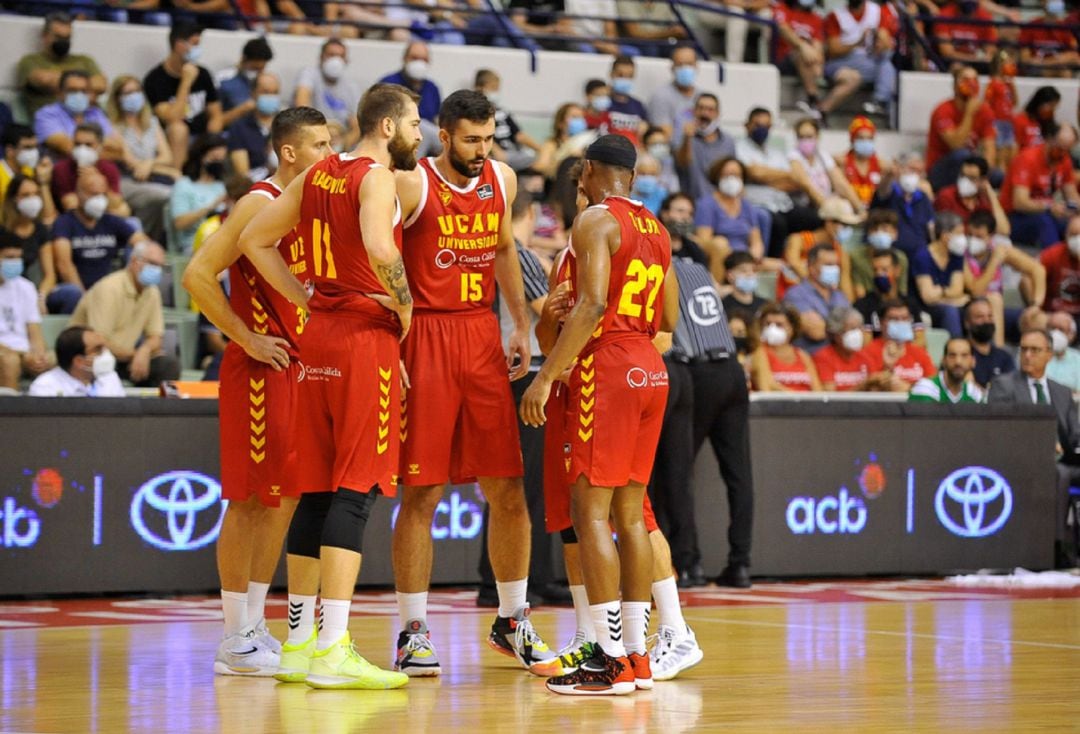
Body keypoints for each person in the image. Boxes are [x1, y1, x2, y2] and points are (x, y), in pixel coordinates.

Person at [238, 83, 421, 690]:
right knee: (356, 486)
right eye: (416, 123)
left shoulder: (316, 176)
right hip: (360, 338)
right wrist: (405, 307)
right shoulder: (375, 178)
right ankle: (335, 647)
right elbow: (378, 246)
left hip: (315, 337)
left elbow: (254, 242)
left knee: (314, 489)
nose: (420, 134)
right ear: (388, 127)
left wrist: (306, 299)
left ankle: (297, 644)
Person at [393, 90, 557, 678]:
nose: (481, 151)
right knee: (422, 493)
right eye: (470, 141)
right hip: (427, 336)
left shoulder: (503, 179)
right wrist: (394, 336)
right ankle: (413, 631)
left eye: (488, 140)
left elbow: (505, 250)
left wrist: (520, 324)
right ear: (443, 134)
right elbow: (379, 256)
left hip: (482, 336)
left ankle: (513, 620)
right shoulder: (411, 184)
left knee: (509, 488)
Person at [520, 134, 675, 695]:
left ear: (587, 171)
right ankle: (635, 656)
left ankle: (605, 659)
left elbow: (592, 306)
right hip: (650, 369)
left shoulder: (593, 223)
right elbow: (669, 313)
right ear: (632, 177)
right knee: (631, 517)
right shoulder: (657, 229)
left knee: (590, 515)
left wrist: (544, 375)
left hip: (605, 366)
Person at [183, 106, 332, 679]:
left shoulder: (317, 206)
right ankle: (232, 634)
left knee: (284, 499)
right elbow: (197, 274)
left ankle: (254, 624)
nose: (329, 153)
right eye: (319, 144)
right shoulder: (258, 202)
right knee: (248, 500)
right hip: (259, 368)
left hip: (303, 369)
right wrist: (246, 336)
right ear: (289, 152)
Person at [656, 199, 755, 590]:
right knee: (739, 474)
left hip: (697, 371)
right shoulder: (702, 271)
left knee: (676, 471)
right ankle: (741, 562)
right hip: (732, 367)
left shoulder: (662, 272)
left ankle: (687, 562)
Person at [988, 328, 1080, 568]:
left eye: (1035, 350)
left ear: (1049, 355)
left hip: (1064, 459)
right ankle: (1057, 547)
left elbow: (1074, 434)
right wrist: (1041, 444)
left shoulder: (1060, 391)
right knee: (1058, 474)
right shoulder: (1004, 385)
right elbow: (999, 430)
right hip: (1021, 459)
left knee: (1063, 471)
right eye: (1024, 349)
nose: (1027, 355)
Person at [69, 241, 179, 386]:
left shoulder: (152, 292)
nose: (157, 270)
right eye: (152, 263)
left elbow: (155, 337)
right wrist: (135, 355)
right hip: (90, 356)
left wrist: (144, 351)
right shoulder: (109, 288)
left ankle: (153, 408)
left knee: (167, 365)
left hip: (124, 359)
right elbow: (98, 341)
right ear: (134, 262)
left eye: (160, 266)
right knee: (102, 362)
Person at [48, 170, 148, 314]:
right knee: (73, 293)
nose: (99, 200)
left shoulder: (111, 221)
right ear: (78, 194)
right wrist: (86, 299)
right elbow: (64, 265)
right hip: (72, 289)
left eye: (102, 194)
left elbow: (143, 243)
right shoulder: (64, 223)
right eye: (93, 194)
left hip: (106, 289)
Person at [736, 107, 822, 256]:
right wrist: (778, 176)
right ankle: (776, 263)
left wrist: (764, 177)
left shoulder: (776, 152)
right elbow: (754, 173)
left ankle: (806, 258)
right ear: (747, 125)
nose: (762, 129)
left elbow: (794, 181)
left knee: (815, 218)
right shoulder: (739, 147)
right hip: (758, 204)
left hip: (782, 203)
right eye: (757, 124)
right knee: (778, 224)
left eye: (766, 126)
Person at [105, 76, 177, 243]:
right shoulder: (112, 125)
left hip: (151, 176)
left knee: (180, 191)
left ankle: (162, 243)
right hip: (126, 180)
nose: (134, 96)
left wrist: (150, 163)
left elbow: (167, 156)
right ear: (117, 98)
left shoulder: (151, 122)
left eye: (137, 91)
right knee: (166, 194)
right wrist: (164, 169)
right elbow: (132, 165)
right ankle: (143, 242)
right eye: (128, 92)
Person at [143, 20, 223, 170]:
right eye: (195, 43)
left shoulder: (203, 74)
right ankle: (178, 178)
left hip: (201, 137)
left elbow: (216, 114)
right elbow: (172, 118)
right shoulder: (155, 79)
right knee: (178, 129)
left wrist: (210, 140)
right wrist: (186, 82)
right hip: (171, 139)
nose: (198, 49)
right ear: (179, 45)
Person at [964, 210, 1045, 343]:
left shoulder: (998, 248)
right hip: (971, 306)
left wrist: (1035, 304)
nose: (973, 240)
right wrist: (994, 261)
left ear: (991, 236)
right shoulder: (962, 253)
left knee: (1038, 318)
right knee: (994, 299)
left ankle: (1034, 358)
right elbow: (976, 291)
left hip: (997, 310)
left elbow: (1038, 270)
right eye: (970, 235)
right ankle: (997, 354)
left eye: (979, 236)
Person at [1000, 122, 1080, 249]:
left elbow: (1071, 194)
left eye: (1067, 150)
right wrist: (1049, 207)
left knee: (1075, 223)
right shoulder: (1028, 159)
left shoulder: (1064, 160)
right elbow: (1019, 202)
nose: (1062, 154)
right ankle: (1053, 262)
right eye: (1059, 148)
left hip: (1045, 212)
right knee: (1044, 221)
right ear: (1049, 139)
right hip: (1013, 217)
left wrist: (1076, 208)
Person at [817, 0, 897, 121]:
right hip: (840, 61)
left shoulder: (876, 11)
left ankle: (880, 102)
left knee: (887, 63)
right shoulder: (836, 15)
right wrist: (857, 42)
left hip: (869, 60)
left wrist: (881, 43)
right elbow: (834, 50)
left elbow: (886, 41)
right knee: (883, 68)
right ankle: (880, 101)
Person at [16, 12, 106, 117]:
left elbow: (101, 85)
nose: (63, 42)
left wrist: (59, 81)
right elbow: (43, 80)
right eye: (58, 37)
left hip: (89, 119)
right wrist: (87, 87)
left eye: (67, 38)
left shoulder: (84, 60)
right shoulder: (30, 61)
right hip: (52, 122)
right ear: (45, 36)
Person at [926, 66, 996, 192]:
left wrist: (983, 173)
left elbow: (989, 149)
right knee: (962, 155)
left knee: (999, 176)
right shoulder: (943, 110)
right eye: (966, 80)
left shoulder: (985, 111)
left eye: (975, 80)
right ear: (954, 86)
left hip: (970, 168)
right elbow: (956, 145)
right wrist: (969, 114)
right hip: (940, 171)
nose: (971, 84)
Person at [695, 158, 767, 282]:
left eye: (736, 175)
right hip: (724, 257)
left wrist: (750, 257)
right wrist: (734, 260)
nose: (731, 179)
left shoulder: (746, 205)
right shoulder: (707, 204)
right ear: (718, 177)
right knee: (720, 242)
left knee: (782, 267)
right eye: (726, 174)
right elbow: (704, 240)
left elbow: (756, 241)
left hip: (745, 257)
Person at [780, 196, 857, 302]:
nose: (847, 229)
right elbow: (793, 263)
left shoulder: (841, 253)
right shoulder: (798, 240)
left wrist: (848, 305)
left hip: (824, 301)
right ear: (829, 222)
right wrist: (820, 284)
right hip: (793, 296)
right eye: (844, 224)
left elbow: (845, 283)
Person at [294, 38, 363, 150]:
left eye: (340, 56)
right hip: (312, 137)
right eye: (331, 55)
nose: (336, 60)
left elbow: (357, 127)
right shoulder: (309, 74)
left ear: (346, 60)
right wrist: (321, 140)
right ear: (321, 57)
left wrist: (342, 146)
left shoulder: (351, 87)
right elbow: (301, 105)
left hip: (339, 142)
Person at [783, 243, 851, 353]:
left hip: (838, 361)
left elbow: (855, 328)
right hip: (811, 358)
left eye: (836, 265)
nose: (835, 269)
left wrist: (828, 326)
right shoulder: (795, 294)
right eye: (829, 265)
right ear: (811, 267)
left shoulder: (840, 296)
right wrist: (844, 330)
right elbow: (816, 332)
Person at [871, 152, 934, 269]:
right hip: (892, 253)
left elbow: (931, 227)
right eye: (911, 169)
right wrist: (890, 175)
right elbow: (882, 191)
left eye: (919, 172)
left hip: (919, 256)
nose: (915, 175)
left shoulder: (922, 197)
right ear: (899, 169)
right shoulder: (890, 192)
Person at [0, 241, 50, 389]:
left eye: (18, 257)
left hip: (24, 351)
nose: (15, 262)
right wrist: (22, 355)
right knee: (10, 361)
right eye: (9, 257)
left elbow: (35, 332)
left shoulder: (26, 287)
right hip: (7, 352)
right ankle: (9, 411)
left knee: (56, 359)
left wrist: (39, 355)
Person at [788, 117, 863, 213]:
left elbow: (841, 183)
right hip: (805, 208)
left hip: (825, 205)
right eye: (802, 137)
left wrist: (860, 208)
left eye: (809, 136)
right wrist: (828, 209)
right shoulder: (794, 157)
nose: (805, 140)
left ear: (818, 136)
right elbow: (807, 186)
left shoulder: (822, 156)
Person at [49, 122, 125, 216]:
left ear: (100, 145)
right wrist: (84, 181)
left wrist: (99, 182)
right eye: (77, 144)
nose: (82, 149)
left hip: (103, 215)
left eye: (88, 145)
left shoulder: (109, 168)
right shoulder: (61, 169)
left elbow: (115, 203)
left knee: (124, 211)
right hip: (75, 220)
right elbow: (70, 205)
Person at [914, 211, 969, 337]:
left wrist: (940, 293)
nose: (963, 238)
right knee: (950, 311)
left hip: (947, 304)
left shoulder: (956, 255)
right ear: (945, 236)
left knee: (979, 307)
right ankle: (956, 348)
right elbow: (928, 297)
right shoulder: (923, 256)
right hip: (926, 308)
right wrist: (951, 298)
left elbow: (958, 289)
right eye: (959, 233)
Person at [27, 325, 124, 397]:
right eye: (98, 349)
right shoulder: (45, 387)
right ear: (79, 361)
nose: (105, 352)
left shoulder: (110, 378)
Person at [171, 134, 228, 254]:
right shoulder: (184, 185)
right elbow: (180, 223)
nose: (218, 162)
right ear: (201, 156)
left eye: (221, 159)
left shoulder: (222, 186)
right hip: (194, 244)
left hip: (223, 240)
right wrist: (210, 208)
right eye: (214, 158)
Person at [862, 298, 936, 390]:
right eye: (894, 319)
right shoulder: (868, 352)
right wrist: (887, 367)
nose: (900, 322)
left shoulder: (920, 352)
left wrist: (908, 388)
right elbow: (871, 388)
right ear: (881, 323)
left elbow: (933, 386)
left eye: (905, 318)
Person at [474, 69, 540, 171]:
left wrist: (540, 149)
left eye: (497, 88)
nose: (495, 92)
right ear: (479, 88)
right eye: (492, 88)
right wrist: (496, 151)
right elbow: (480, 134)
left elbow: (519, 135)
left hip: (513, 151)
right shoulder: (475, 111)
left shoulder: (502, 111)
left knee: (539, 157)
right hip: (495, 153)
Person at [1, 174, 56, 294]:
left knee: (70, 293)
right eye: (26, 195)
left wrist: (40, 296)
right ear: (14, 198)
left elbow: (50, 275)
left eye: (36, 194)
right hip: (4, 289)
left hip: (33, 290)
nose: (32, 199)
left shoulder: (41, 230)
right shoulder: (2, 230)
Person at [675, 94, 735, 201]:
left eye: (710, 109)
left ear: (717, 114)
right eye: (700, 108)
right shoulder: (682, 137)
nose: (704, 113)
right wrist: (687, 139)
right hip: (692, 202)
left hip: (720, 202)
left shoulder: (728, 142)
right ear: (694, 111)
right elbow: (682, 163)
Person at [750, 302, 821, 391]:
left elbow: (818, 391)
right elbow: (767, 387)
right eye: (768, 324)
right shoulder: (760, 353)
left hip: (807, 403)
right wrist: (801, 398)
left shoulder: (803, 356)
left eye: (779, 325)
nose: (772, 329)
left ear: (792, 328)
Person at [854, 247, 923, 338]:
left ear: (897, 271)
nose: (879, 274)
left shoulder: (910, 303)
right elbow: (866, 342)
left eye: (884, 270)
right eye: (875, 270)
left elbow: (920, 339)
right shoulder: (863, 305)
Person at [774, 0, 826, 116]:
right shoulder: (782, 8)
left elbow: (818, 47)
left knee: (809, 56)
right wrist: (802, 46)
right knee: (802, 53)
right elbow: (783, 29)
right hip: (783, 59)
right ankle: (812, 99)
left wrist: (816, 59)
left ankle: (814, 102)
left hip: (809, 63)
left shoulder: (816, 18)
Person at [933, 155, 1009, 233]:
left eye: (971, 178)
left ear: (983, 180)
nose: (965, 181)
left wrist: (991, 194)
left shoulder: (983, 201)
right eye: (963, 176)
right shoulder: (946, 196)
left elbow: (1004, 230)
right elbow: (945, 231)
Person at [227, 73, 281, 181]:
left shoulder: (287, 124)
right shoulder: (240, 127)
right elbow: (243, 174)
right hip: (255, 187)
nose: (271, 97)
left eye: (275, 93)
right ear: (253, 93)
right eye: (265, 92)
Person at [813, 305, 878, 391]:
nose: (857, 333)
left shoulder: (866, 356)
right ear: (836, 333)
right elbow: (830, 397)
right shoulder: (823, 357)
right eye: (852, 328)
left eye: (859, 328)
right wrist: (863, 385)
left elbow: (876, 389)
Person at [378, 41, 442, 123]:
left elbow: (436, 120)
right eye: (414, 58)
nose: (419, 63)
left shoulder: (432, 89)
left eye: (423, 59)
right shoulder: (388, 84)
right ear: (405, 58)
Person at [850, 208, 906, 299]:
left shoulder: (901, 258)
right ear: (868, 233)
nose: (879, 233)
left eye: (885, 229)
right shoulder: (856, 257)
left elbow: (902, 292)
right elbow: (860, 292)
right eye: (875, 229)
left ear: (895, 233)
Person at [909, 337, 984, 402]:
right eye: (952, 355)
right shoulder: (926, 388)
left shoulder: (973, 393)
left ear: (973, 361)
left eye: (964, 356)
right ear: (943, 360)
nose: (958, 361)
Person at [647, 43, 699, 138]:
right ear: (672, 67)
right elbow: (665, 135)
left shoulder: (702, 95)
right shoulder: (661, 96)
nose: (685, 68)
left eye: (689, 64)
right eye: (680, 64)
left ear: (696, 66)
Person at [215, 37, 274, 120]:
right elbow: (214, 118)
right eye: (255, 68)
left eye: (262, 68)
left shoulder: (266, 81)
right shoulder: (224, 78)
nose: (259, 72)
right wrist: (242, 109)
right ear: (243, 59)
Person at [1018, 0, 1079, 79]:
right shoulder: (1031, 26)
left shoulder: (1065, 27)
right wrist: (1059, 60)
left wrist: (1044, 63)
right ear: (1043, 2)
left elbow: (1074, 57)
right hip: (1036, 72)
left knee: (1064, 72)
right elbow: (1025, 59)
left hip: (1058, 69)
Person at [1040, 213, 1080, 331]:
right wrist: (1037, 307)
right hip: (1053, 314)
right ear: (1066, 236)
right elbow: (1027, 280)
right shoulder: (1053, 254)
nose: (1077, 239)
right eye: (1073, 235)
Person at [964, 296, 1015, 387]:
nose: (986, 321)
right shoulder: (961, 354)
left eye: (990, 316)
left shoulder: (1004, 357)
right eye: (980, 316)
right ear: (967, 323)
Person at [933, 0, 998, 71]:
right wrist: (973, 58)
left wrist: (982, 57)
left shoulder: (984, 16)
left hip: (978, 61)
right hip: (954, 61)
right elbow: (947, 52)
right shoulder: (945, 14)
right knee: (957, 67)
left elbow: (991, 50)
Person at [533, 103, 589, 180]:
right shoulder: (552, 144)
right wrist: (564, 158)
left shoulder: (588, 144)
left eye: (581, 117)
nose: (579, 121)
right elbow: (540, 167)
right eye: (574, 117)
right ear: (560, 123)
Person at [984, 50, 1019, 170]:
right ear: (999, 65)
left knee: (1010, 149)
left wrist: (1012, 86)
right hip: (997, 121)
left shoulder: (1008, 84)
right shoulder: (993, 83)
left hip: (1008, 121)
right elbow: (987, 104)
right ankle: (999, 172)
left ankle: (1006, 172)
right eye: (1007, 64)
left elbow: (1014, 103)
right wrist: (990, 123)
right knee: (1000, 150)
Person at [605, 56, 649, 147]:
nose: (625, 79)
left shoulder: (638, 106)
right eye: (620, 75)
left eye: (629, 76)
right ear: (611, 74)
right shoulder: (602, 103)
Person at [841, 116, 884, 208]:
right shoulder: (842, 162)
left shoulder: (881, 165)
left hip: (873, 214)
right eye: (860, 138)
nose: (865, 142)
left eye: (869, 138)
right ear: (852, 140)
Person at [722, 250, 768, 317]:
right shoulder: (722, 306)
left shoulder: (764, 305)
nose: (750, 274)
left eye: (753, 270)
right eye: (743, 271)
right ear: (730, 276)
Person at [1014, 86, 1061, 151]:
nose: (1052, 110)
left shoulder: (1049, 121)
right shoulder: (1020, 119)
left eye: (1054, 107)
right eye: (1050, 106)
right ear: (1039, 102)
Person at [1047, 310, 1080, 393]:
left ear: (1072, 334)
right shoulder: (1034, 355)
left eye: (1061, 330)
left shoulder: (1077, 359)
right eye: (1052, 328)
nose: (1055, 333)